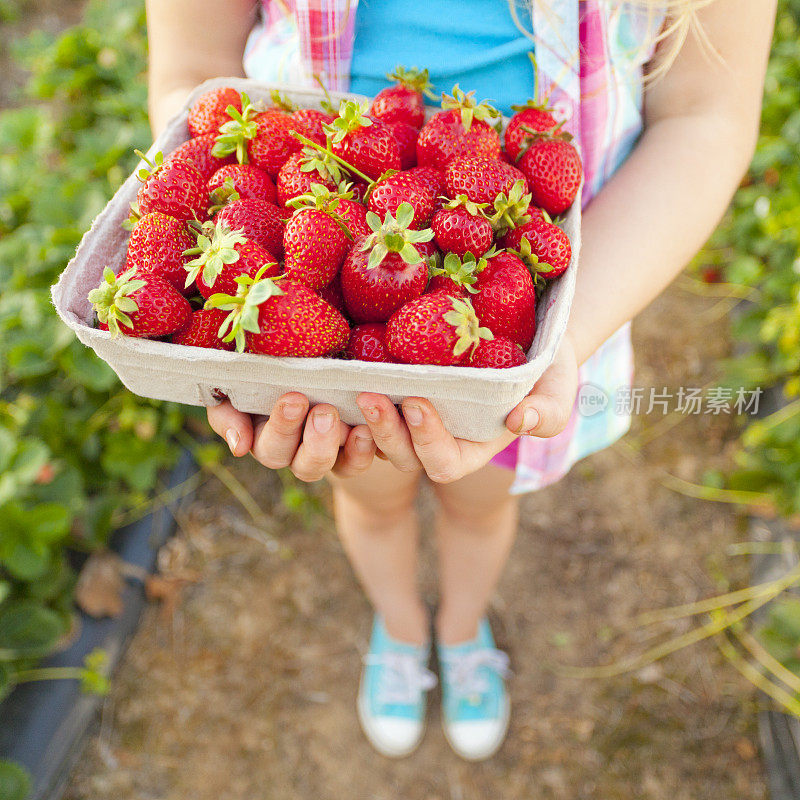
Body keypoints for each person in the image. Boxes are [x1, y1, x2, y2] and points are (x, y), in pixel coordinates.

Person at [145, 0, 776, 761]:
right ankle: (402, 631)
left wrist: (560, 342)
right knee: (368, 494)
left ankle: (462, 629)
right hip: (307, 242)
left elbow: (705, 115)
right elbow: (192, 80)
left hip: (531, 302)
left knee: (480, 503)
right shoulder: (304, 267)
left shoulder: (515, 279)